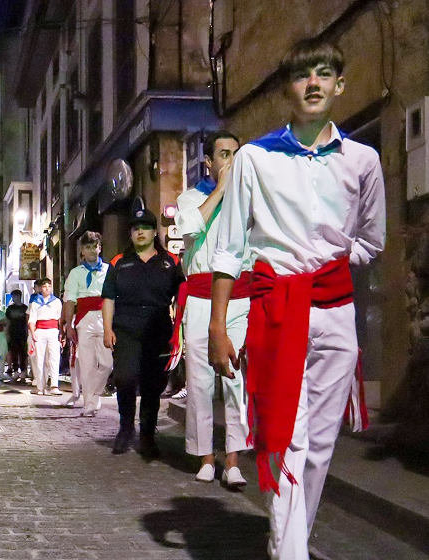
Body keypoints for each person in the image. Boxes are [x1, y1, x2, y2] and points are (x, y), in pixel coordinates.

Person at [208, 40, 384, 559]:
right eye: (303, 75)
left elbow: (372, 241)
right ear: (287, 88)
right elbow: (229, 248)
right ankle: (292, 553)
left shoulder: (363, 160)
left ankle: (287, 539)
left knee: (321, 444)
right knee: (285, 436)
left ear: (339, 85)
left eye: (323, 74)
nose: (312, 84)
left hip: (334, 312)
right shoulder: (254, 159)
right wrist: (219, 326)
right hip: (274, 310)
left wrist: (330, 268)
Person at [175, 130, 252, 488]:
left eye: (235, 154)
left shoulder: (249, 197)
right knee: (200, 380)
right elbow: (188, 229)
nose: (231, 160)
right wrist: (221, 190)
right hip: (201, 297)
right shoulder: (189, 198)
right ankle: (206, 456)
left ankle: (233, 459)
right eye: (224, 154)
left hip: (238, 298)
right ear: (208, 161)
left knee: (235, 379)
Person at [102, 207, 184, 458]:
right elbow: (108, 297)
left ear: (153, 232)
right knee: (124, 379)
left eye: (145, 228)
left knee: (152, 385)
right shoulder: (119, 262)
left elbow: (181, 296)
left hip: (158, 328)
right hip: (125, 328)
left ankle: (147, 434)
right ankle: (125, 428)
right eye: (136, 228)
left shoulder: (170, 262)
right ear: (131, 233)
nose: (140, 232)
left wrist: (179, 327)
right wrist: (107, 328)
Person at [62, 231, 114, 415]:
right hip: (84, 319)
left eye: (94, 246)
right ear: (82, 251)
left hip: (105, 317)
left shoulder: (109, 270)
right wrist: (69, 324)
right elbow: (70, 300)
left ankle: (95, 395)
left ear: (100, 248)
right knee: (87, 363)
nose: (91, 250)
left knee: (107, 363)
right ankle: (89, 404)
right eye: (87, 247)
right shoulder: (75, 273)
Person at [28, 279, 63, 395]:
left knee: (54, 358)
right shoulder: (35, 303)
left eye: (49, 286)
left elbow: (60, 319)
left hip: (53, 331)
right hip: (40, 332)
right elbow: (31, 320)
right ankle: (40, 386)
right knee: (39, 359)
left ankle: (54, 385)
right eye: (44, 286)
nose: (47, 288)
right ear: (40, 288)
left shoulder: (57, 301)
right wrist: (33, 333)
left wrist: (62, 333)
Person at [5, 290, 29, 380]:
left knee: (23, 353)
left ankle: (23, 371)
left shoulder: (25, 308)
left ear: (20, 296)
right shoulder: (10, 309)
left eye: (16, 296)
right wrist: (6, 333)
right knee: (14, 352)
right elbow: (7, 321)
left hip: (23, 333)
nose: (14, 298)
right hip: (13, 333)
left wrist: (28, 332)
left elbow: (27, 321)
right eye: (13, 296)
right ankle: (15, 371)